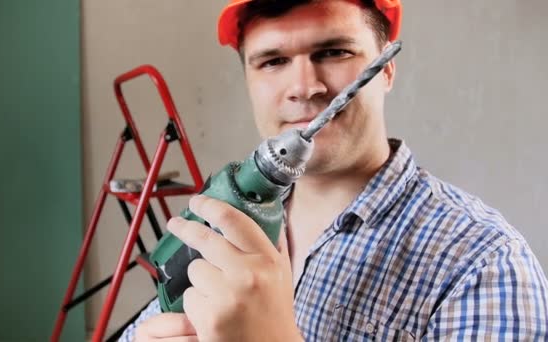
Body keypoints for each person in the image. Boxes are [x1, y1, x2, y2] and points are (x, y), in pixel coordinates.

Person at [120, 0, 548, 340]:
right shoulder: (227, 215)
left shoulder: (484, 264)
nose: (305, 87)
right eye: (272, 61)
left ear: (386, 70)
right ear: (248, 79)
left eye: (334, 52)